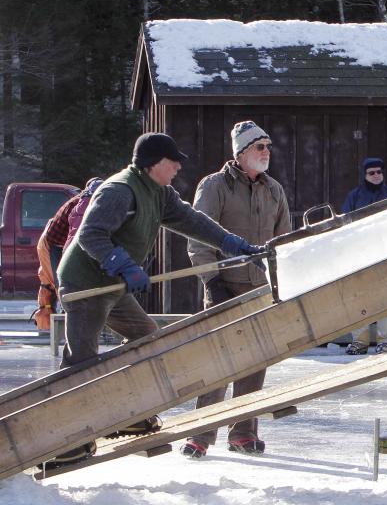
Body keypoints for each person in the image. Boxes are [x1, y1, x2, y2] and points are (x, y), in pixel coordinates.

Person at [48, 133, 263, 467]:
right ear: (154, 163)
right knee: (82, 361)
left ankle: (129, 415)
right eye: (173, 160)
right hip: (86, 284)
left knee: (148, 341)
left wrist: (232, 244)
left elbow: (191, 220)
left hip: (112, 284)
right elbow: (91, 234)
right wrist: (122, 263)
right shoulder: (119, 190)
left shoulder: (159, 193)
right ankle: (65, 441)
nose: (178, 166)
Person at [180, 121, 291, 460]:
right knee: (217, 363)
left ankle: (243, 432)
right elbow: (197, 238)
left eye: (268, 147)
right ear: (241, 153)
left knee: (255, 363)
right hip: (224, 287)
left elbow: (284, 240)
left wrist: (282, 278)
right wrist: (212, 283)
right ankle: (200, 434)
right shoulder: (215, 186)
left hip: (260, 289)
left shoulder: (274, 190)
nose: (266, 153)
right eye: (260, 147)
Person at [342, 157, 387, 355]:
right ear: (365, 175)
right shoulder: (355, 196)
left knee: (386, 297)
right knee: (359, 297)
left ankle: (385, 341)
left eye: (379, 172)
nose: (376, 176)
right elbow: (344, 223)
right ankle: (359, 341)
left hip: (385, 252)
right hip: (360, 254)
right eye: (371, 173)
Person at [34, 177, 103, 330]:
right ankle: (59, 327)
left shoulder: (89, 201)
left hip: (59, 241)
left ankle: (66, 325)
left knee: (65, 285)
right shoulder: (85, 204)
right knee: (64, 285)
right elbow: (76, 239)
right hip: (53, 244)